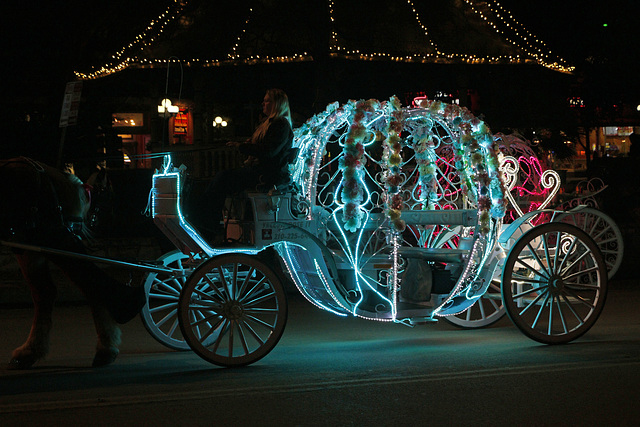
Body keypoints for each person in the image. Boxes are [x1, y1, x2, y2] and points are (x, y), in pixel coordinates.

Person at [195, 89, 295, 242]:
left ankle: (208, 225)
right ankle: (209, 222)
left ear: (277, 104)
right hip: (261, 172)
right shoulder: (271, 124)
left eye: (267, 100)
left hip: (266, 175)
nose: (263, 103)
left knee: (223, 178)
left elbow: (268, 151)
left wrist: (242, 147)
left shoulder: (280, 125)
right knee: (221, 178)